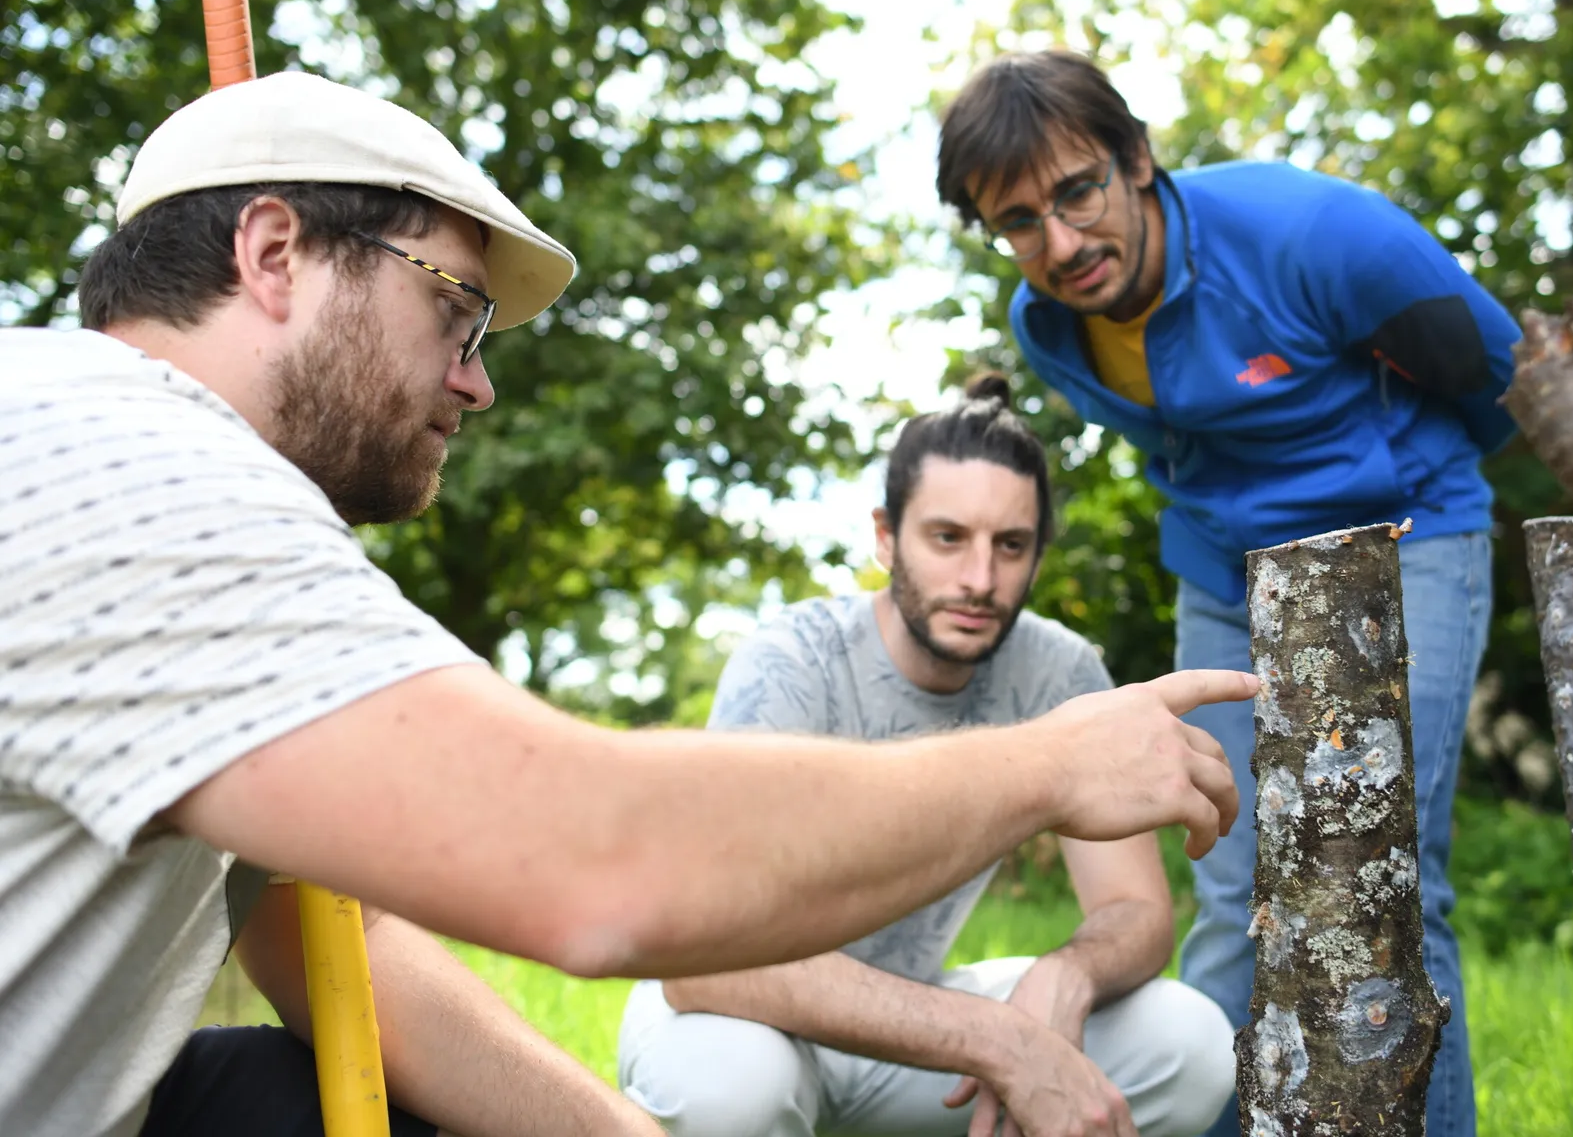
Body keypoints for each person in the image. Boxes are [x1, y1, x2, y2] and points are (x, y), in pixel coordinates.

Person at [0, 71, 1258, 1137]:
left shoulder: (145, 476)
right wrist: (1049, 768)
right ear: (274, 253)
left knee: (310, 1090)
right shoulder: (122, 464)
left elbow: (346, 952)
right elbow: (598, 861)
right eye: (454, 307)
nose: (477, 382)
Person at [934, 50, 1521, 1137]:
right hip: (1227, 575)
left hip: (1410, 538)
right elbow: (1178, 441)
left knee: (1387, 880)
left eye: (1078, 192)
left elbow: (1496, 370)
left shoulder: (1309, 234)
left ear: (1138, 160)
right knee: (1232, 885)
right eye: (1018, 222)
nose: (1059, 245)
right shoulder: (1048, 330)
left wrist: (1395, 476)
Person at [618, 375, 1235, 1137]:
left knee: (1192, 1043)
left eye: (1010, 545)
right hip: (740, 1014)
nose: (980, 580)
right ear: (886, 536)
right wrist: (999, 1040)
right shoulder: (792, 660)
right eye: (948, 538)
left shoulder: (1062, 674)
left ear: (1038, 556)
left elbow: (1136, 910)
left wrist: (1069, 973)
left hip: (908, 1018)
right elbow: (701, 959)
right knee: (732, 1089)